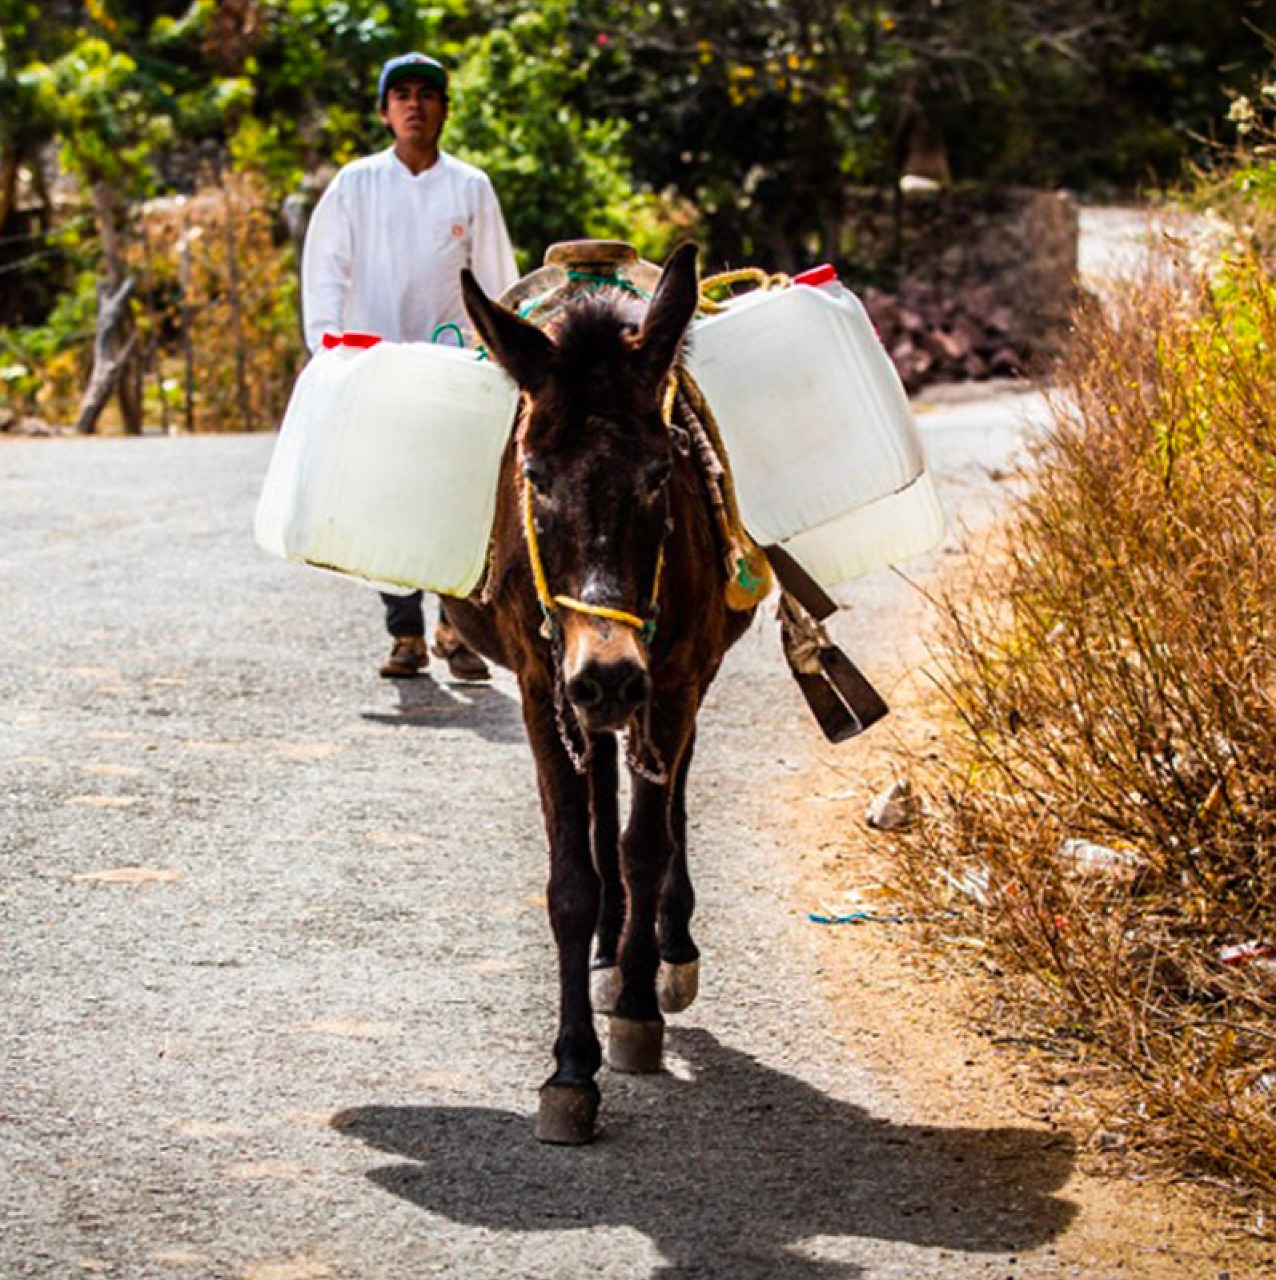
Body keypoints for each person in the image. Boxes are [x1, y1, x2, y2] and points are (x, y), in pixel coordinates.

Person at [300, 52, 519, 681]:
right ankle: (405, 634)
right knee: (389, 501)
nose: (414, 105)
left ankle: (457, 628)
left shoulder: (470, 186)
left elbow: (497, 278)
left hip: (455, 372)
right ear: (384, 111)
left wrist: (499, 354)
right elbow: (326, 271)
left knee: (458, 498)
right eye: (401, 95)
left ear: (445, 109)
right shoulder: (356, 185)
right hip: (378, 366)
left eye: (427, 94)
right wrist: (330, 349)